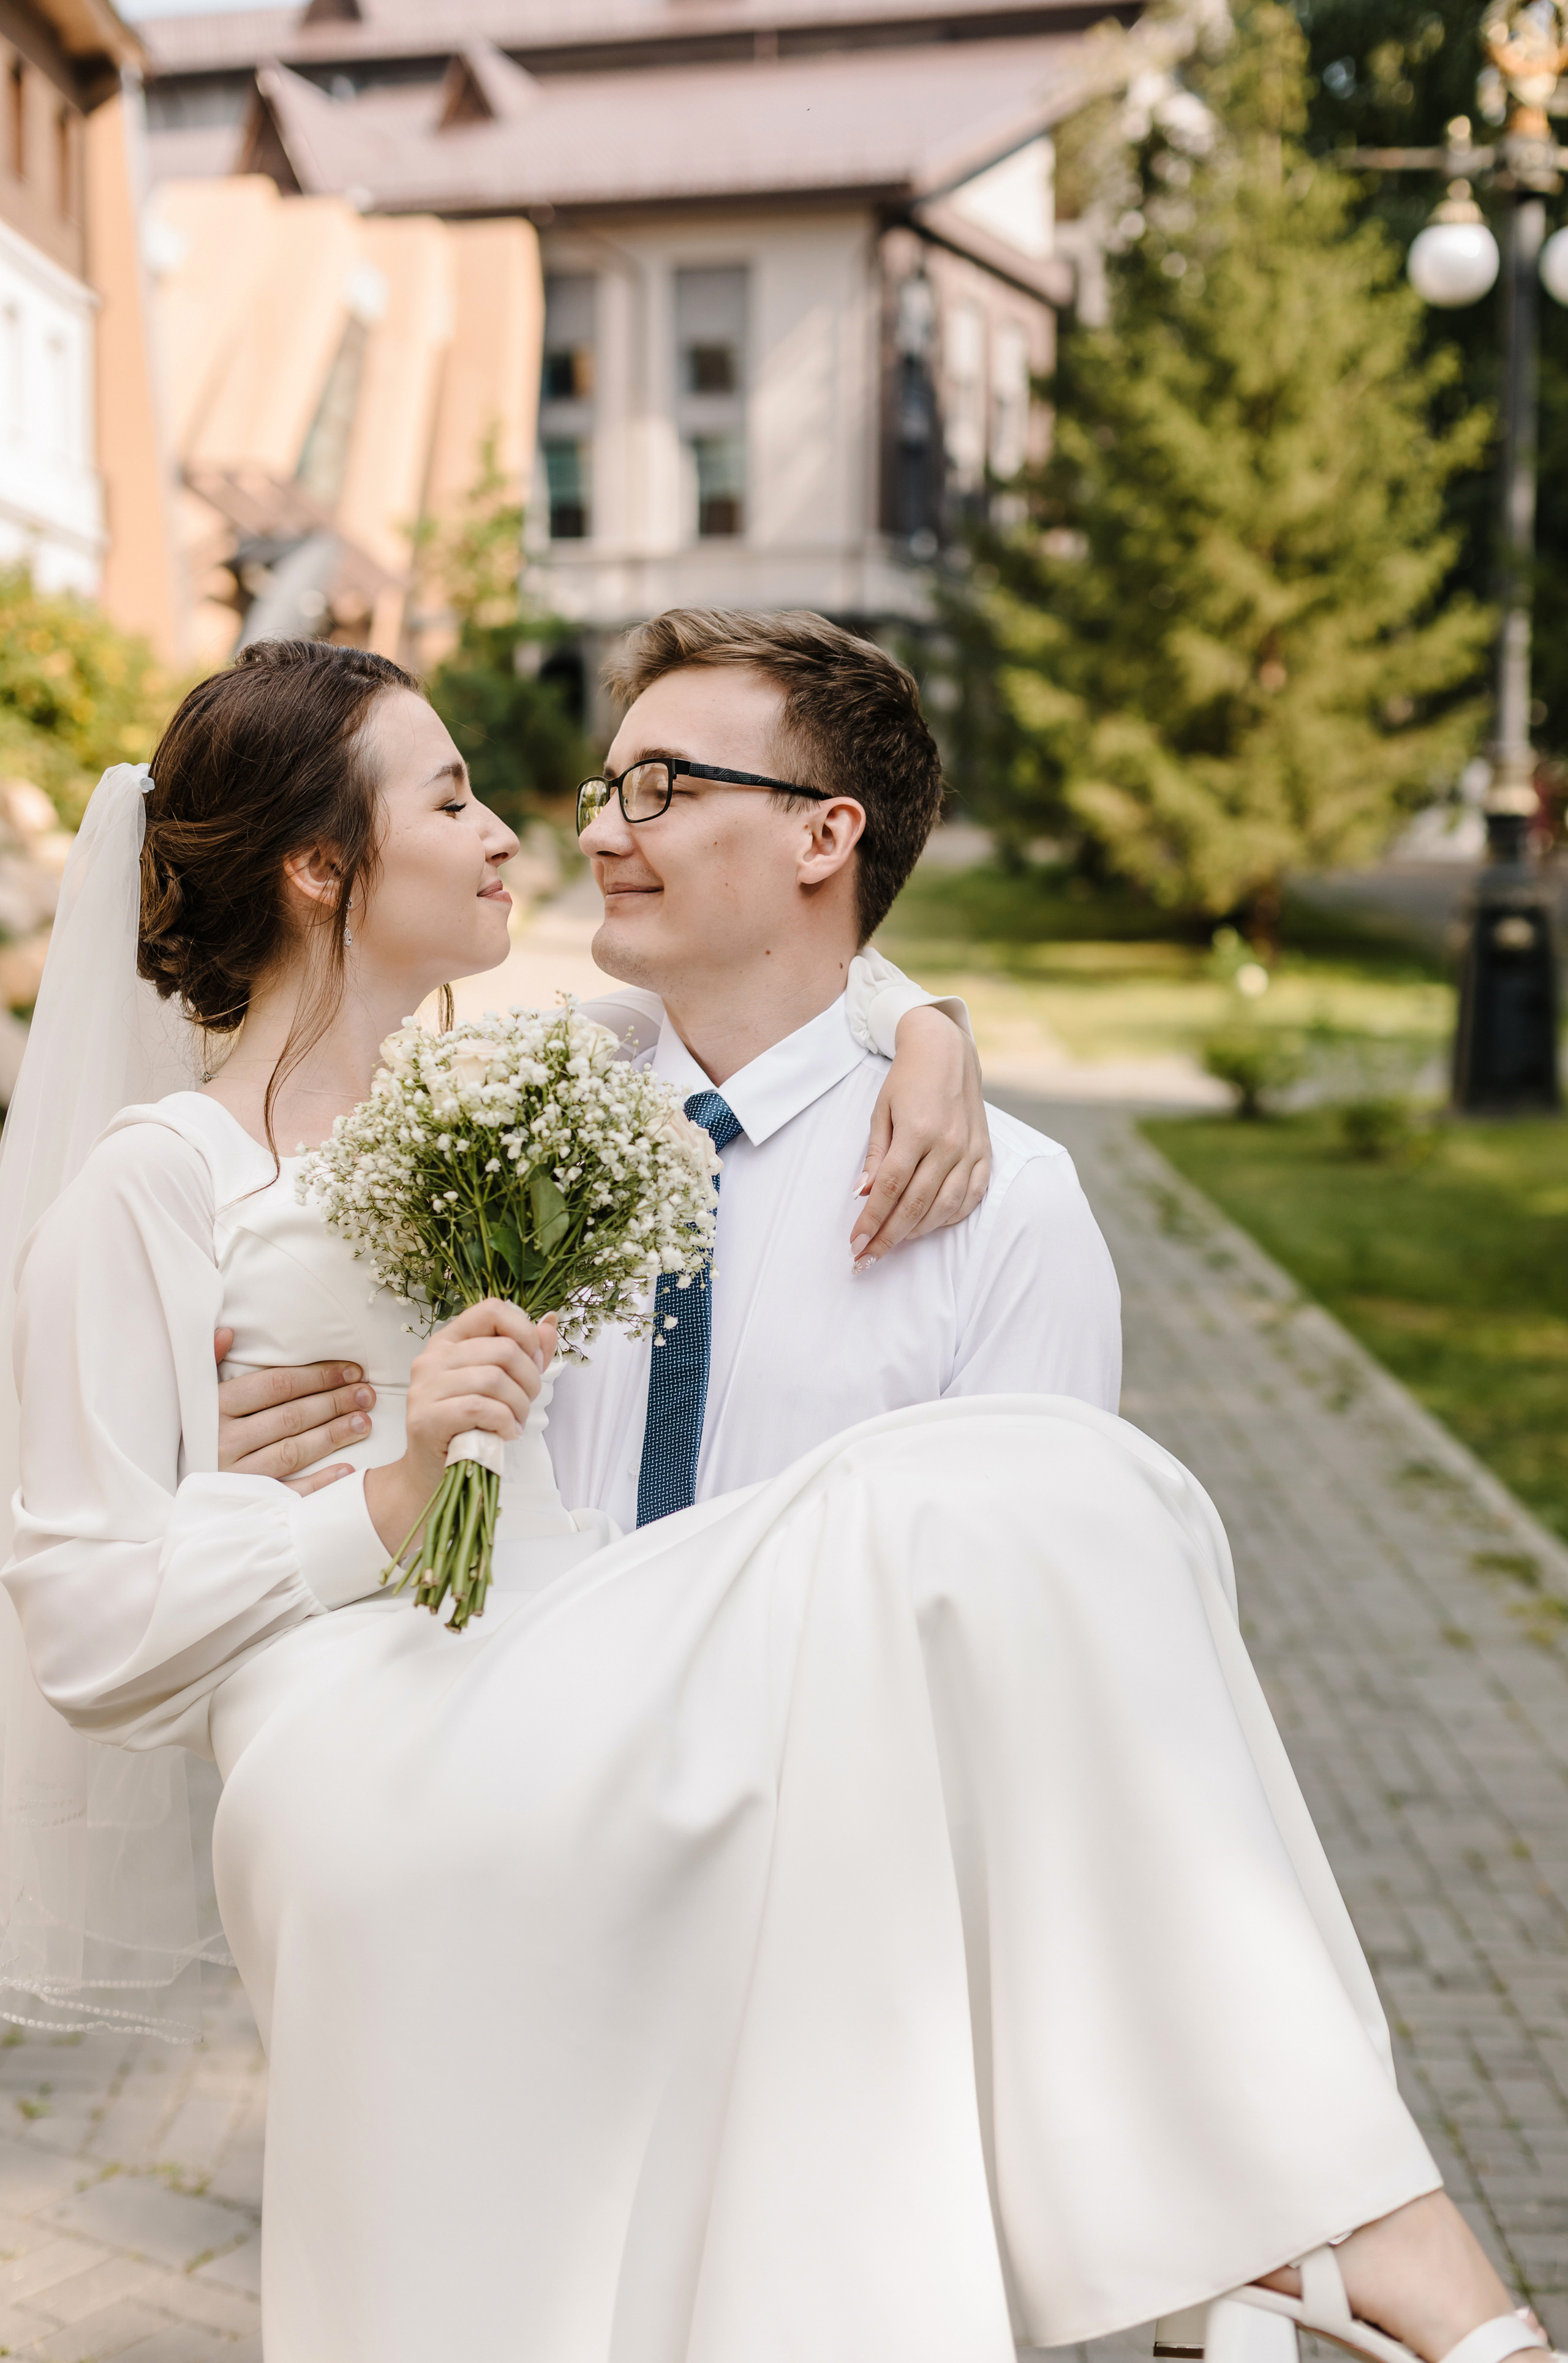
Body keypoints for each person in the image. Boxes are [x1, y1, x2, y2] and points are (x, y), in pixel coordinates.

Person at [0, 633, 1550, 2363]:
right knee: (992, 1494)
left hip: (618, 1714)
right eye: (461, 798)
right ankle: (1324, 2220)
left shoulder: (508, 1092)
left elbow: (805, 1000)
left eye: (652, 789)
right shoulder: (168, 1186)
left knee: (1060, 1495)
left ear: (823, 834)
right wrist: (381, 1494)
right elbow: (87, 1615)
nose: (548, 832)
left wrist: (929, 1026)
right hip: (406, 1738)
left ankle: (1291, 2202)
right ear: (320, 865)